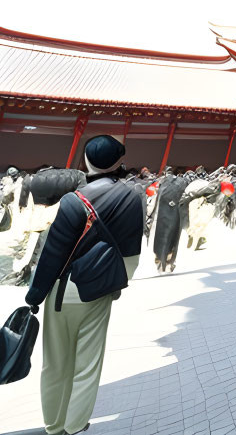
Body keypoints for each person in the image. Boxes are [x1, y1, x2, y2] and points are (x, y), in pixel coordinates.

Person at [24, 136, 143, 435]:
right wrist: (116, 285)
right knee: (88, 365)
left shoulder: (74, 200)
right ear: (119, 161)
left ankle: (54, 426)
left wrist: (35, 296)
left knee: (55, 364)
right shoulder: (132, 197)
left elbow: (53, 254)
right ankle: (76, 425)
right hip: (100, 290)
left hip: (64, 293)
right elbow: (131, 253)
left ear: (87, 161)